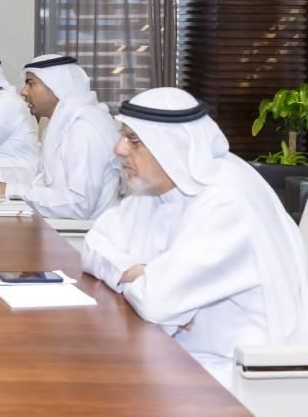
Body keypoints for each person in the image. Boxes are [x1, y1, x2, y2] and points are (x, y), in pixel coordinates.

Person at [81, 87, 308, 389]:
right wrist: (132, 272)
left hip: (240, 376)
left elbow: (156, 303)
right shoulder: (155, 189)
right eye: (123, 136)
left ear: (171, 146)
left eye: (134, 139)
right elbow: (94, 244)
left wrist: (148, 284)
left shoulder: (225, 200)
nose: (119, 149)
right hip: (177, 354)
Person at [0, 54, 120, 220]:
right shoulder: (60, 123)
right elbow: (41, 178)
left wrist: (11, 190)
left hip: (78, 231)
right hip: (55, 222)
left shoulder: (84, 129)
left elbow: (80, 205)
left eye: (30, 83)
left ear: (57, 86)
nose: (23, 91)